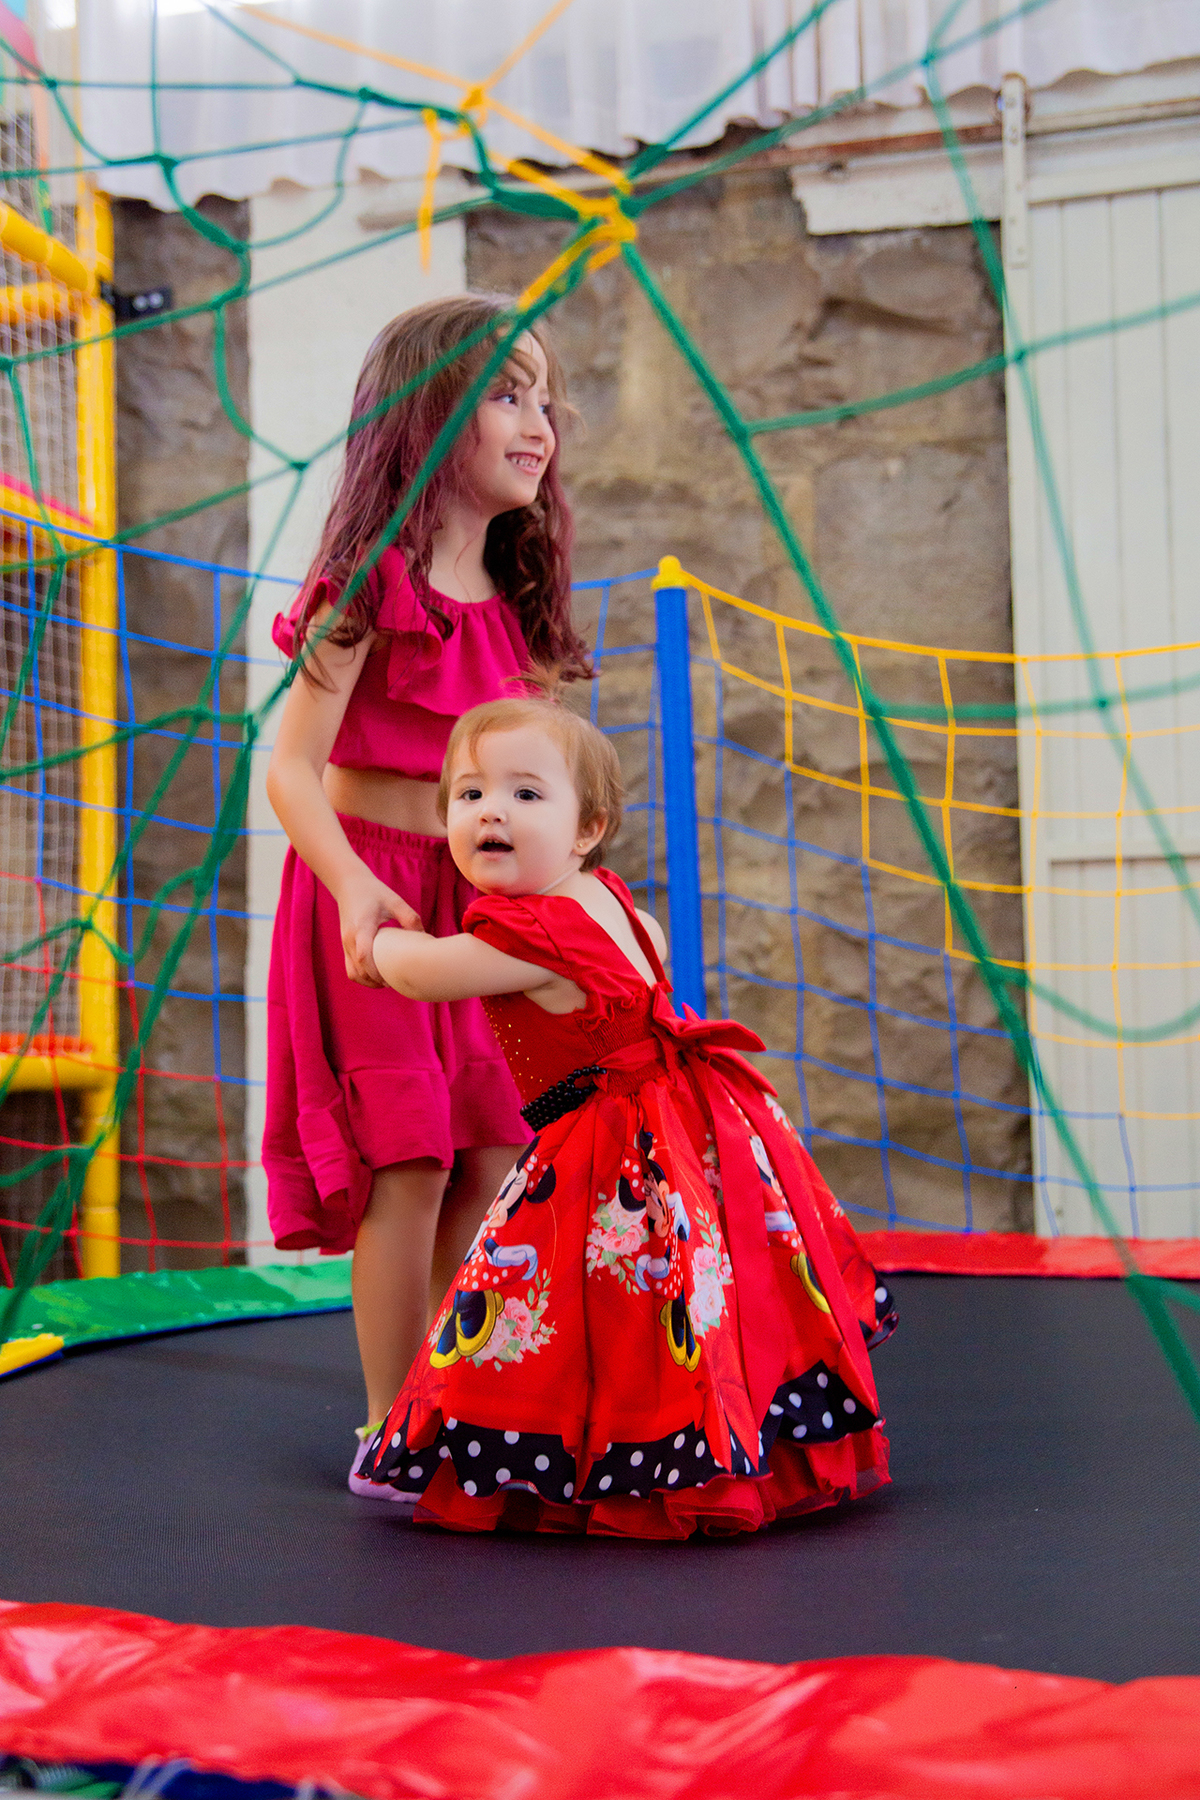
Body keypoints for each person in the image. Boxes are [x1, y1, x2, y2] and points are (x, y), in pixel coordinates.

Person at [356, 683, 897, 1538]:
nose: (491, 811)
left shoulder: (534, 933)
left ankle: (584, 1464)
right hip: (687, 1118)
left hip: (611, 1136)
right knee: (680, 1305)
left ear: (585, 829)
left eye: (524, 794)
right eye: (470, 794)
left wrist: (372, 932)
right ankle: (720, 1445)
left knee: (560, 1304)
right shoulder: (611, 902)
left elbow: (424, 975)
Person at [263, 296, 592, 1488]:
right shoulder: (368, 584)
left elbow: (533, 789)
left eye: (544, 397)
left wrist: (567, 908)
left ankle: (448, 1403)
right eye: (508, 393)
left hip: (478, 912)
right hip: (376, 903)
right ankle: (386, 1432)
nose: (539, 420)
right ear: (429, 418)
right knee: (405, 1158)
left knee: (492, 1154)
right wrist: (352, 889)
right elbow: (291, 768)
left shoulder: (516, 614)